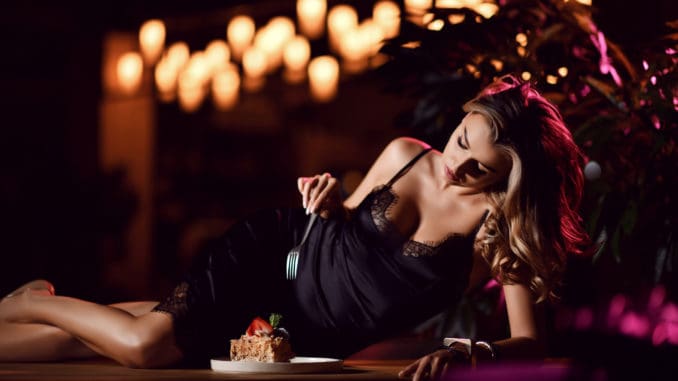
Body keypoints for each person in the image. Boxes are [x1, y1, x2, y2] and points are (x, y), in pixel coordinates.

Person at [0, 75, 590, 379]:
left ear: (509, 178)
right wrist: (327, 198)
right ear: (465, 115)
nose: (456, 165)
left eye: (479, 168)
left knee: (92, 341)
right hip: (273, 256)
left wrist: (469, 355)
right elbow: (338, 224)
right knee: (142, 346)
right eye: (463, 139)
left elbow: (531, 345)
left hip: (302, 339)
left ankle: (36, 313)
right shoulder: (406, 152)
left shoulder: (497, 232)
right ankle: (36, 300)